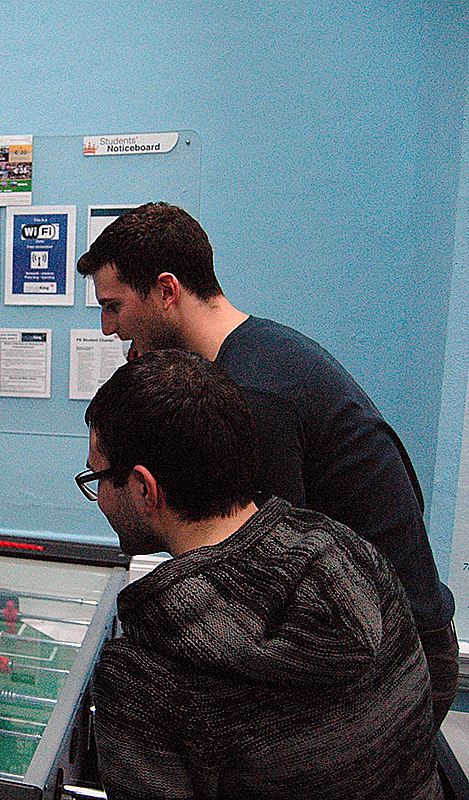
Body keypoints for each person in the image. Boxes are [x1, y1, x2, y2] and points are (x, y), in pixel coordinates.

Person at [77, 201, 458, 724]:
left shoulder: (255, 395)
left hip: (392, 654)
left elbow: (271, 583)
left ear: (166, 291)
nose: (107, 328)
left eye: (114, 306)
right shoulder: (259, 350)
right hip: (374, 627)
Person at [80, 349, 440, 799]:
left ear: (143, 488)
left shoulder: (143, 676)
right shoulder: (355, 557)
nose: (99, 497)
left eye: (97, 477)